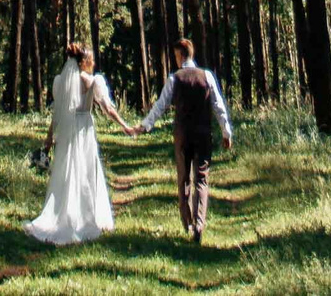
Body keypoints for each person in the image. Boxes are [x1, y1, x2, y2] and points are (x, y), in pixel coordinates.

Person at [24, 42, 135, 245]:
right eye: (91, 60)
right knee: (85, 170)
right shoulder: (91, 81)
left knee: (67, 171)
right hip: (84, 129)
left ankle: (65, 212)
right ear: (84, 62)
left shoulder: (61, 81)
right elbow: (107, 108)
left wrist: (49, 138)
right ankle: (86, 216)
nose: (93, 63)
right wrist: (125, 126)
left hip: (67, 131)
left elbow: (57, 113)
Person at [138, 37, 232, 243]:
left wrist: (146, 124)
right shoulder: (206, 76)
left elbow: (161, 105)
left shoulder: (175, 79)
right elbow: (218, 105)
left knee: (184, 178)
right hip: (203, 133)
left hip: (182, 134)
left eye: (175, 55)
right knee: (202, 179)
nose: (175, 59)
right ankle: (199, 224)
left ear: (180, 55)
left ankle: (187, 222)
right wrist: (226, 132)